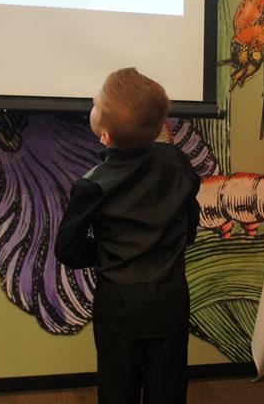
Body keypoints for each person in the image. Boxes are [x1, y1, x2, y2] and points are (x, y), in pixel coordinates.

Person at [54, 67, 201, 404]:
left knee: (118, 387)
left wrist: (106, 252)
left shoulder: (92, 184)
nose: (92, 105)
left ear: (104, 135)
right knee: (169, 387)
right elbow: (189, 225)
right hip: (171, 298)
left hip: (119, 305)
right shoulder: (177, 162)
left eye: (95, 104)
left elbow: (69, 250)